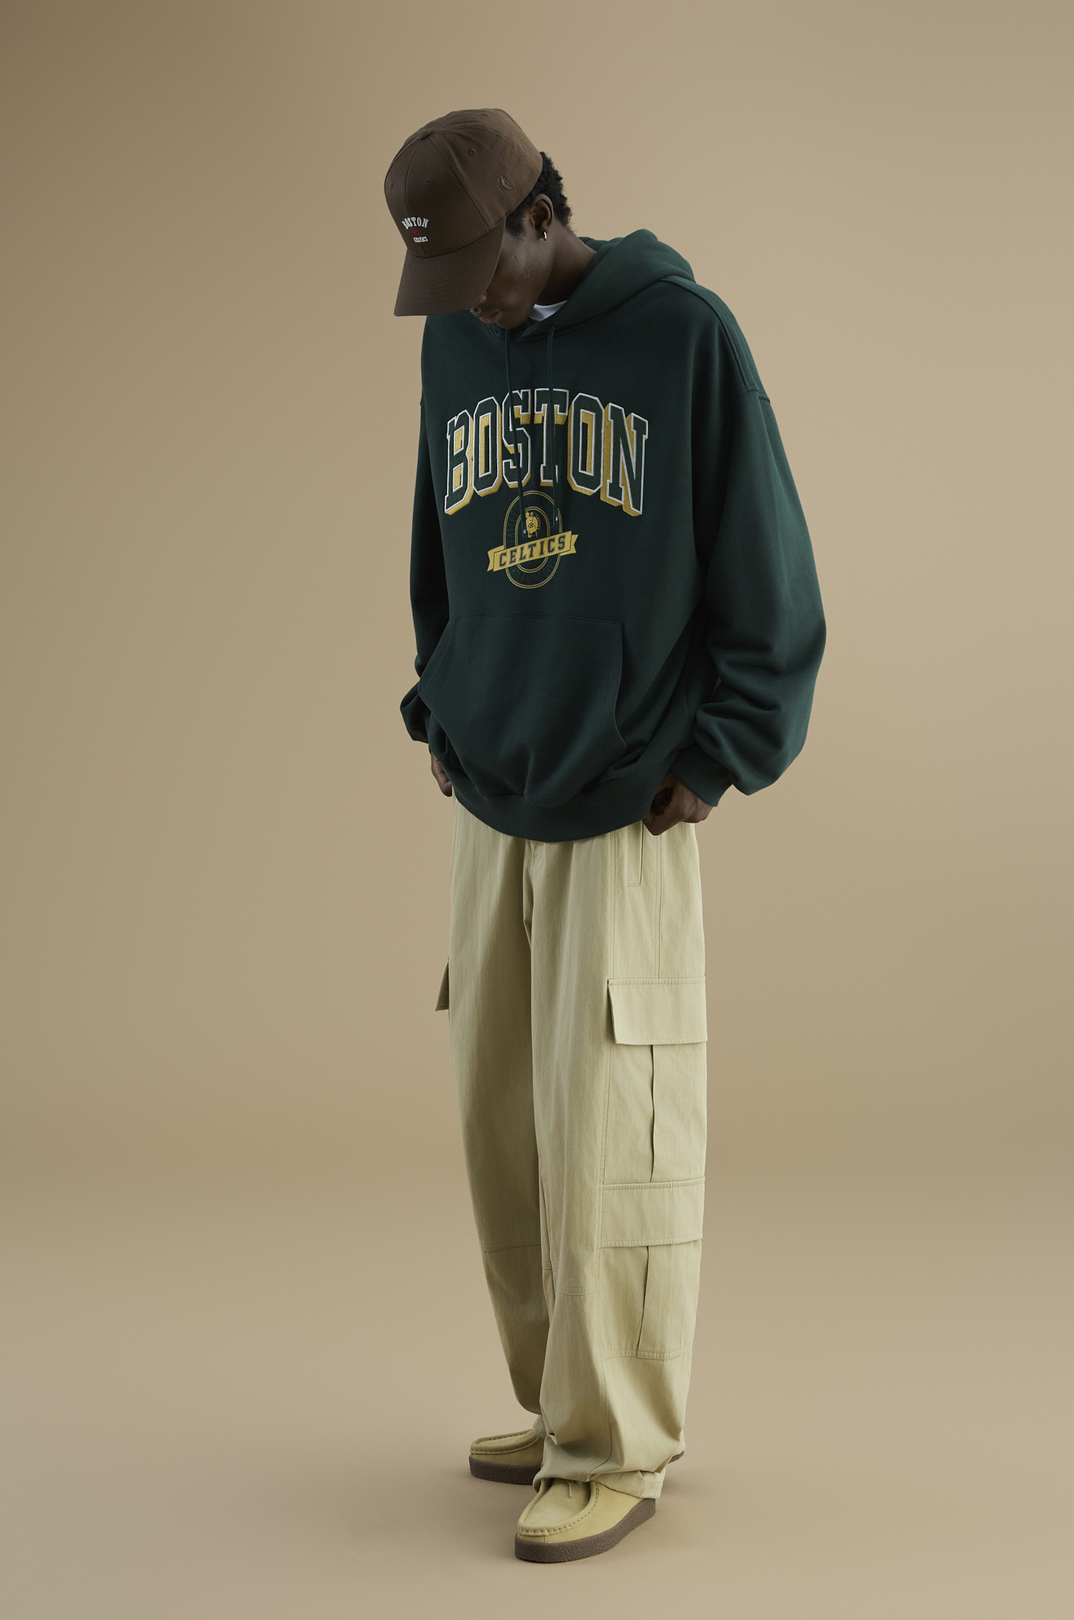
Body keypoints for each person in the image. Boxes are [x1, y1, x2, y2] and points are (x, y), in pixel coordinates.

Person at [384, 107, 825, 1563]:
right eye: (443, 287)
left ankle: (617, 1438)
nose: (470, 307)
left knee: (614, 1138)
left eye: (481, 274)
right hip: (493, 795)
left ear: (537, 214)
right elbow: (437, 552)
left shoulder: (685, 337)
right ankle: (558, 1403)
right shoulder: (458, 345)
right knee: (505, 1133)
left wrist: (722, 754)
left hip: (627, 797)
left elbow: (769, 567)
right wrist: (441, 705)